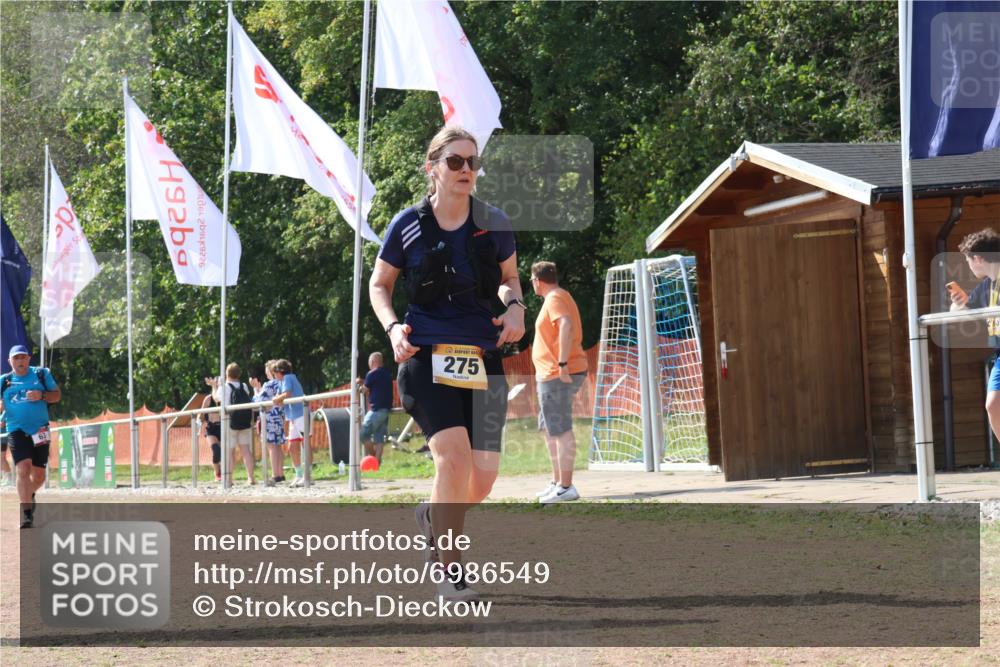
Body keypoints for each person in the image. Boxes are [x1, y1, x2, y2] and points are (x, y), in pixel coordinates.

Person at [369, 125, 525, 600]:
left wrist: (516, 307)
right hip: (426, 358)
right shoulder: (407, 224)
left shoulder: (493, 222)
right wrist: (394, 328)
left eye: (472, 163)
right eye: (455, 162)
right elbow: (380, 285)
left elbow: (510, 279)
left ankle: (432, 514)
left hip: (482, 358)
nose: (465, 171)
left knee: (480, 482)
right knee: (452, 460)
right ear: (432, 168)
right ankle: (449, 570)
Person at [529, 261, 588, 504]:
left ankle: (566, 487)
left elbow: (566, 325)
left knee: (561, 428)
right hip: (549, 374)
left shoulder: (555, 298)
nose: (532, 284)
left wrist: (562, 364)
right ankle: (557, 483)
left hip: (558, 373)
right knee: (550, 429)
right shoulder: (556, 297)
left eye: (532, 280)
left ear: (537, 280)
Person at [0, 345, 61, 528]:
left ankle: (29, 494)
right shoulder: (4, 381)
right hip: (16, 430)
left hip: (40, 429)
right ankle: (26, 514)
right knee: (23, 468)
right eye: (16, 358)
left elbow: (56, 396)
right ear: (9, 361)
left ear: (28, 358)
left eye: (23, 357)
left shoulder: (41, 374)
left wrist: (42, 395)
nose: (20, 361)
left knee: (39, 477)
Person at [952, 228, 1000, 443]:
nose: (969, 267)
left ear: (978, 258)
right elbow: (958, 314)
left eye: (968, 261)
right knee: (993, 406)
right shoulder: (986, 286)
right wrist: (958, 302)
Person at [212, 363, 256, 486]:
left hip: (229, 421)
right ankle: (251, 478)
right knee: (246, 450)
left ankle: (229, 479)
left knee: (230, 451)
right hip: (245, 422)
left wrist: (215, 387)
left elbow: (216, 398)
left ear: (227, 374)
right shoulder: (244, 386)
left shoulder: (224, 387)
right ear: (239, 374)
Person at [251, 360, 287, 485]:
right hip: (279, 417)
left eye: (267, 371)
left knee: (271, 446)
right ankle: (280, 473)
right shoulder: (281, 383)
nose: (265, 374)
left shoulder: (269, 384)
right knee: (278, 446)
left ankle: (275, 475)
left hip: (269, 417)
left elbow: (257, 401)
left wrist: (256, 389)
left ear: (271, 371)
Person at [271, 358, 307, 487]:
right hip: (293, 417)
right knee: (292, 447)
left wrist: (275, 399)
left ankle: (307, 475)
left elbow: (287, 394)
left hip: (301, 415)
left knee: (305, 444)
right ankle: (299, 474)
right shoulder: (282, 381)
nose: (274, 375)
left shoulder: (287, 378)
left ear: (280, 371)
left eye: (275, 372)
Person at [358, 352, 393, 463]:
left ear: (372, 362)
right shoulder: (387, 374)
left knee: (363, 435)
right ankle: (376, 464)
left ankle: (373, 458)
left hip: (376, 410)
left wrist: (358, 385)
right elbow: (376, 385)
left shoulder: (371, 374)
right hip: (386, 410)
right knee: (379, 438)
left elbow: (364, 390)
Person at [200, 380, 222, 482]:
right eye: (216, 385)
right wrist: (200, 421)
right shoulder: (208, 399)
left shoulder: (223, 398)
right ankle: (217, 473)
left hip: (222, 427)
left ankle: (224, 471)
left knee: (223, 452)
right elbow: (201, 414)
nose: (217, 387)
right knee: (216, 450)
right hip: (211, 428)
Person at [0, 410, 12, 486]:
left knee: (2, 458)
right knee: (1, 459)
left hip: (3, 439)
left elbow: (2, 424)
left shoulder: (6, 412)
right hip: (1, 438)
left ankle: (9, 478)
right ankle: (4, 478)